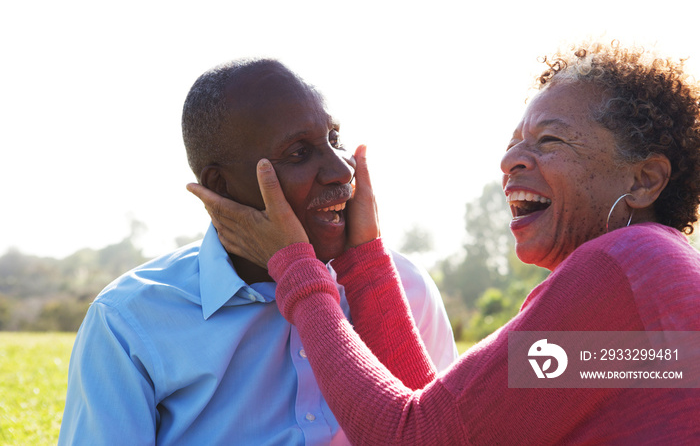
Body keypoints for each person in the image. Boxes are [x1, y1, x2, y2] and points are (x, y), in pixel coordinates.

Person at [190, 42, 700, 444]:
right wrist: (361, 261)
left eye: (549, 140)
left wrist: (296, 269)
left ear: (644, 180)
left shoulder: (624, 266)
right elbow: (456, 427)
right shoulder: (651, 280)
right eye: (512, 145)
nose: (511, 162)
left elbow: (414, 437)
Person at [58, 59, 458, 445]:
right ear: (222, 186)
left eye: (334, 140)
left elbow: (441, 437)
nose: (341, 170)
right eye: (299, 152)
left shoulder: (405, 291)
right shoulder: (128, 322)